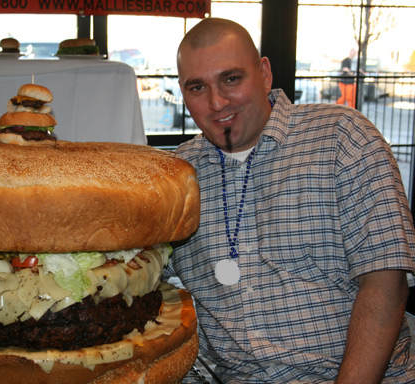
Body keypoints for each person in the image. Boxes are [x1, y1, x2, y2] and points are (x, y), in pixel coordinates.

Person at [170, 17, 415, 383]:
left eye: (231, 79)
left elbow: (386, 282)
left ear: (265, 74)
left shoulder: (342, 138)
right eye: (197, 87)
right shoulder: (176, 176)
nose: (217, 102)